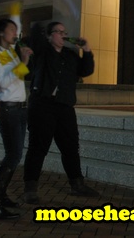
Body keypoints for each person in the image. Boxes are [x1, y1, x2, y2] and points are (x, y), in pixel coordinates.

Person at [23, 21, 98, 204]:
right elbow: (33, 37)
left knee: (71, 147)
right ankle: (30, 188)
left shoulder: (70, 54)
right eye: (58, 32)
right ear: (49, 36)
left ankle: (77, 184)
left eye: (65, 32)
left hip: (64, 106)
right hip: (42, 105)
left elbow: (86, 70)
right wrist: (37, 27)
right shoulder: (42, 51)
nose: (63, 35)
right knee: (38, 147)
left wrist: (86, 49)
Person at [0, 19, 33, 219]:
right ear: (1, 33)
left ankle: (1, 195)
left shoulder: (10, 53)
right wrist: (23, 63)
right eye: (12, 29)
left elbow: (19, 77)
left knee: (15, 154)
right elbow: (4, 83)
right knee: (12, 155)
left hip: (20, 110)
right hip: (7, 110)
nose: (15, 33)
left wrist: (23, 59)